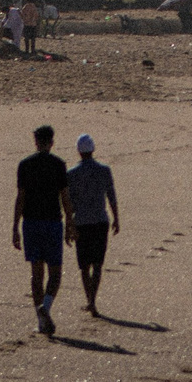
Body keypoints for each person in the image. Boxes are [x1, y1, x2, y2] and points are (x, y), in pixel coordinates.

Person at [13, 124, 71, 336]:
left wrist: (15, 226)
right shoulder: (58, 165)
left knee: (36, 273)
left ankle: (40, 321)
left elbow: (21, 197)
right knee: (55, 272)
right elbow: (64, 196)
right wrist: (71, 224)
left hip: (31, 223)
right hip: (53, 223)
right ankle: (45, 307)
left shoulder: (25, 164)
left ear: (36, 142)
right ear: (52, 142)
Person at [66, 132, 120, 316]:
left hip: (81, 221)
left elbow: (68, 203)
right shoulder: (104, 170)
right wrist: (116, 218)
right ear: (93, 149)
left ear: (78, 151)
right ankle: (92, 300)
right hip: (100, 221)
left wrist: (69, 225)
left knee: (84, 265)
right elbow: (111, 196)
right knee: (97, 264)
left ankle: (89, 299)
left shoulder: (71, 174)